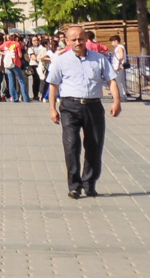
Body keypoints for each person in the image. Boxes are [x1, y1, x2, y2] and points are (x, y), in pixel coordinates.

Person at [48, 24, 122, 198]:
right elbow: (53, 85)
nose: (77, 42)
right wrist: (52, 109)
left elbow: (111, 80)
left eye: (80, 39)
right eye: (73, 39)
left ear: (86, 39)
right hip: (69, 107)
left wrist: (117, 101)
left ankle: (89, 183)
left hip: (93, 106)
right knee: (71, 146)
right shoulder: (61, 60)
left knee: (94, 146)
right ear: (67, 41)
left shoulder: (99, 59)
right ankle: (74, 185)